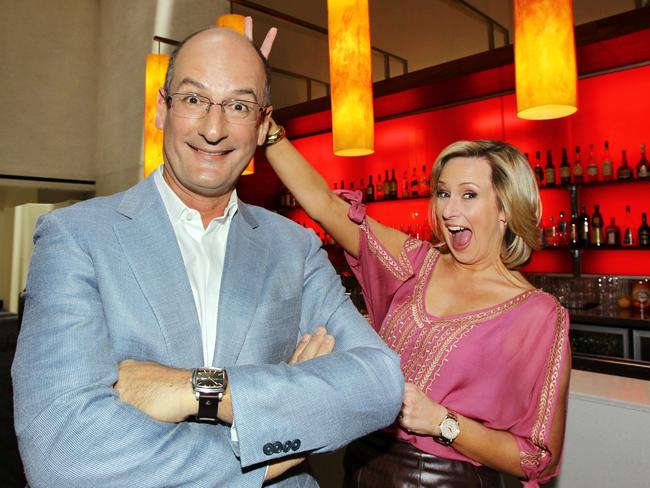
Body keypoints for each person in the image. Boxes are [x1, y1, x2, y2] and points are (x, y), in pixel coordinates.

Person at [11, 26, 403, 487]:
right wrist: (276, 431)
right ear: (162, 108)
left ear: (261, 125)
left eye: (238, 106)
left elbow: (379, 383)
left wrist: (196, 388)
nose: (213, 130)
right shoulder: (76, 237)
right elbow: (62, 452)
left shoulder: (293, 247)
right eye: (194, 100)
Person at [264, 130, 571, 487]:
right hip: (362, 463)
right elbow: (325, 205)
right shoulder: (413, 263)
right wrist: (270, 132)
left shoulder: (538, 314)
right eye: (443, 193)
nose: (447, 210)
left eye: (468, 195)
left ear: (505, 208)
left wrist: (442, 421)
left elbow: (537, 458)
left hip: (448, 480)